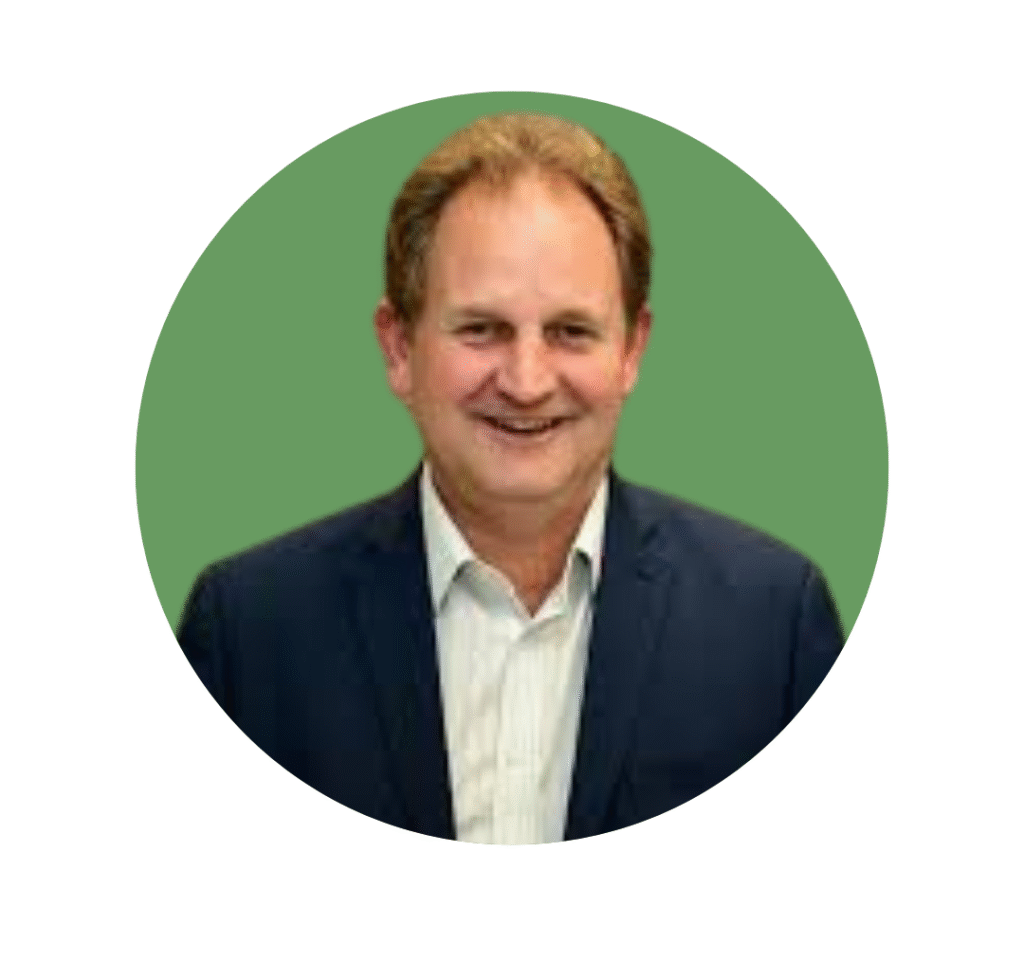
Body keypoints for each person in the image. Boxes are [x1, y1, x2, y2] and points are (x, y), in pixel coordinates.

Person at [178, 112, 844, 843]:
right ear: (399, 348)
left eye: (570, 331)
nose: (527, 382)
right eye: (481, 329)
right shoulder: (248, 633)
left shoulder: (774, 626)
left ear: (632, 351)